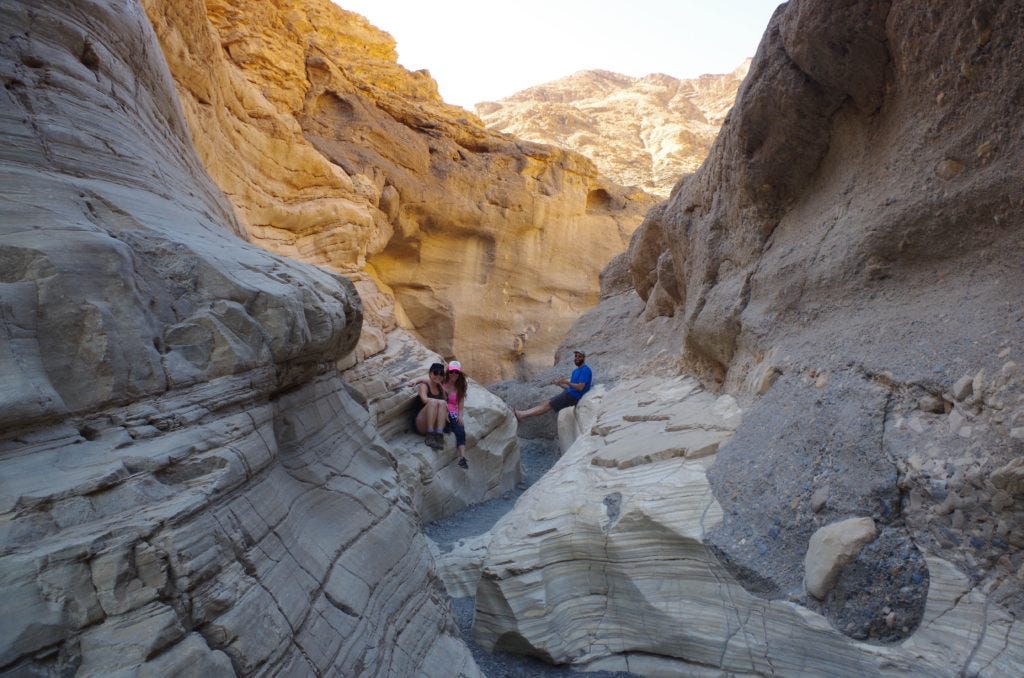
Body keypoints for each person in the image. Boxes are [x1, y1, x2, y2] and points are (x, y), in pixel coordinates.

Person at [515, 350, 592, 421]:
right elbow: (571, 387)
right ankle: (522, 414)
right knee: (546, 403)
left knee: (547, 405)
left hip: (574, 397)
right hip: (569, 394)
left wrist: (566, 382)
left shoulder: (585, 370)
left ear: (584, 359)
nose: (577, 358)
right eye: (576, 356)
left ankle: (522, 415)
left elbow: (580, 387)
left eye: (579, 356)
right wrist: (560, 384)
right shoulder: (576, 371)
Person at [412, 363, 448, 449]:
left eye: (441, 374)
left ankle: (439, 434)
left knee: (442, 403)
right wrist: (419, 380)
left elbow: (445, 401)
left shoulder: (439, 387)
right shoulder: (424, 385)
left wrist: (440, 385)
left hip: (435, 424)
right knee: (433, 402)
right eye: (435, 373)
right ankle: (429, 434)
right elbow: (424, 399)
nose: (438, 376)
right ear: (430, 374)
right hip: (421, 424)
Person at [442, 361, 469, 469]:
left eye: (456, 372)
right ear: (448, 372)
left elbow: (461, 402)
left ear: (459, 374)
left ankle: (462, 458)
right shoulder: (442, 381)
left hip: (452, 411)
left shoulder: (459, 386)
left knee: (460, 429)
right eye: (451, 371)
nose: (454, 374)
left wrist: (460, 415)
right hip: (440, 409)